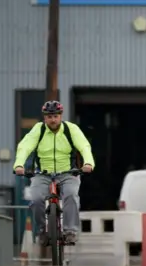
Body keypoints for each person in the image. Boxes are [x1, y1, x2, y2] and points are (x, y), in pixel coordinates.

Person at [13, 100, 95, 244]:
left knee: (71, 195)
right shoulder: (39, 130)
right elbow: (24, 147)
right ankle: (42, 230)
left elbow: (84, 146)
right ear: (45, 118)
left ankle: (70, 231)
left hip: (68, 172)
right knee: (36, 198)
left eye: (56, 116)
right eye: (49, 117)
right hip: (42, 174)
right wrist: (19, 165)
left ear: (61, 116)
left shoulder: (71, 129)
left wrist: (88, 163)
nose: (53, 119)